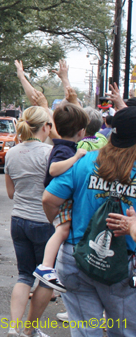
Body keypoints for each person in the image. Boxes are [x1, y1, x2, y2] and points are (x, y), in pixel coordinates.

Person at [43, 107, 136, 336]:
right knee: (124, 331)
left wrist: (59, 224)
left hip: (77, 256)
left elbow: (49, 199)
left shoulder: (86, 161)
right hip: (121, 263)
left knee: (85, 331)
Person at [4, 106, 55, 337]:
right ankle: (30, 329)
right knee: (45, 278)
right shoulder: (49, 153)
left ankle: (14, 327)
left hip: (18, 220)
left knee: (23, 275)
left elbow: (11, 193)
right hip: (43, 222)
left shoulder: (11, 153)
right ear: (46, 127)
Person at [32, 102, 88, 293]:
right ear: (81, 132)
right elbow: (54, 169)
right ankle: (47, 266)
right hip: (60, 200)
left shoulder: (63, 146)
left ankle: (47, 265)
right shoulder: (65, 150)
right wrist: (76, 158)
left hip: (60, 199)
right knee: (62, 230)